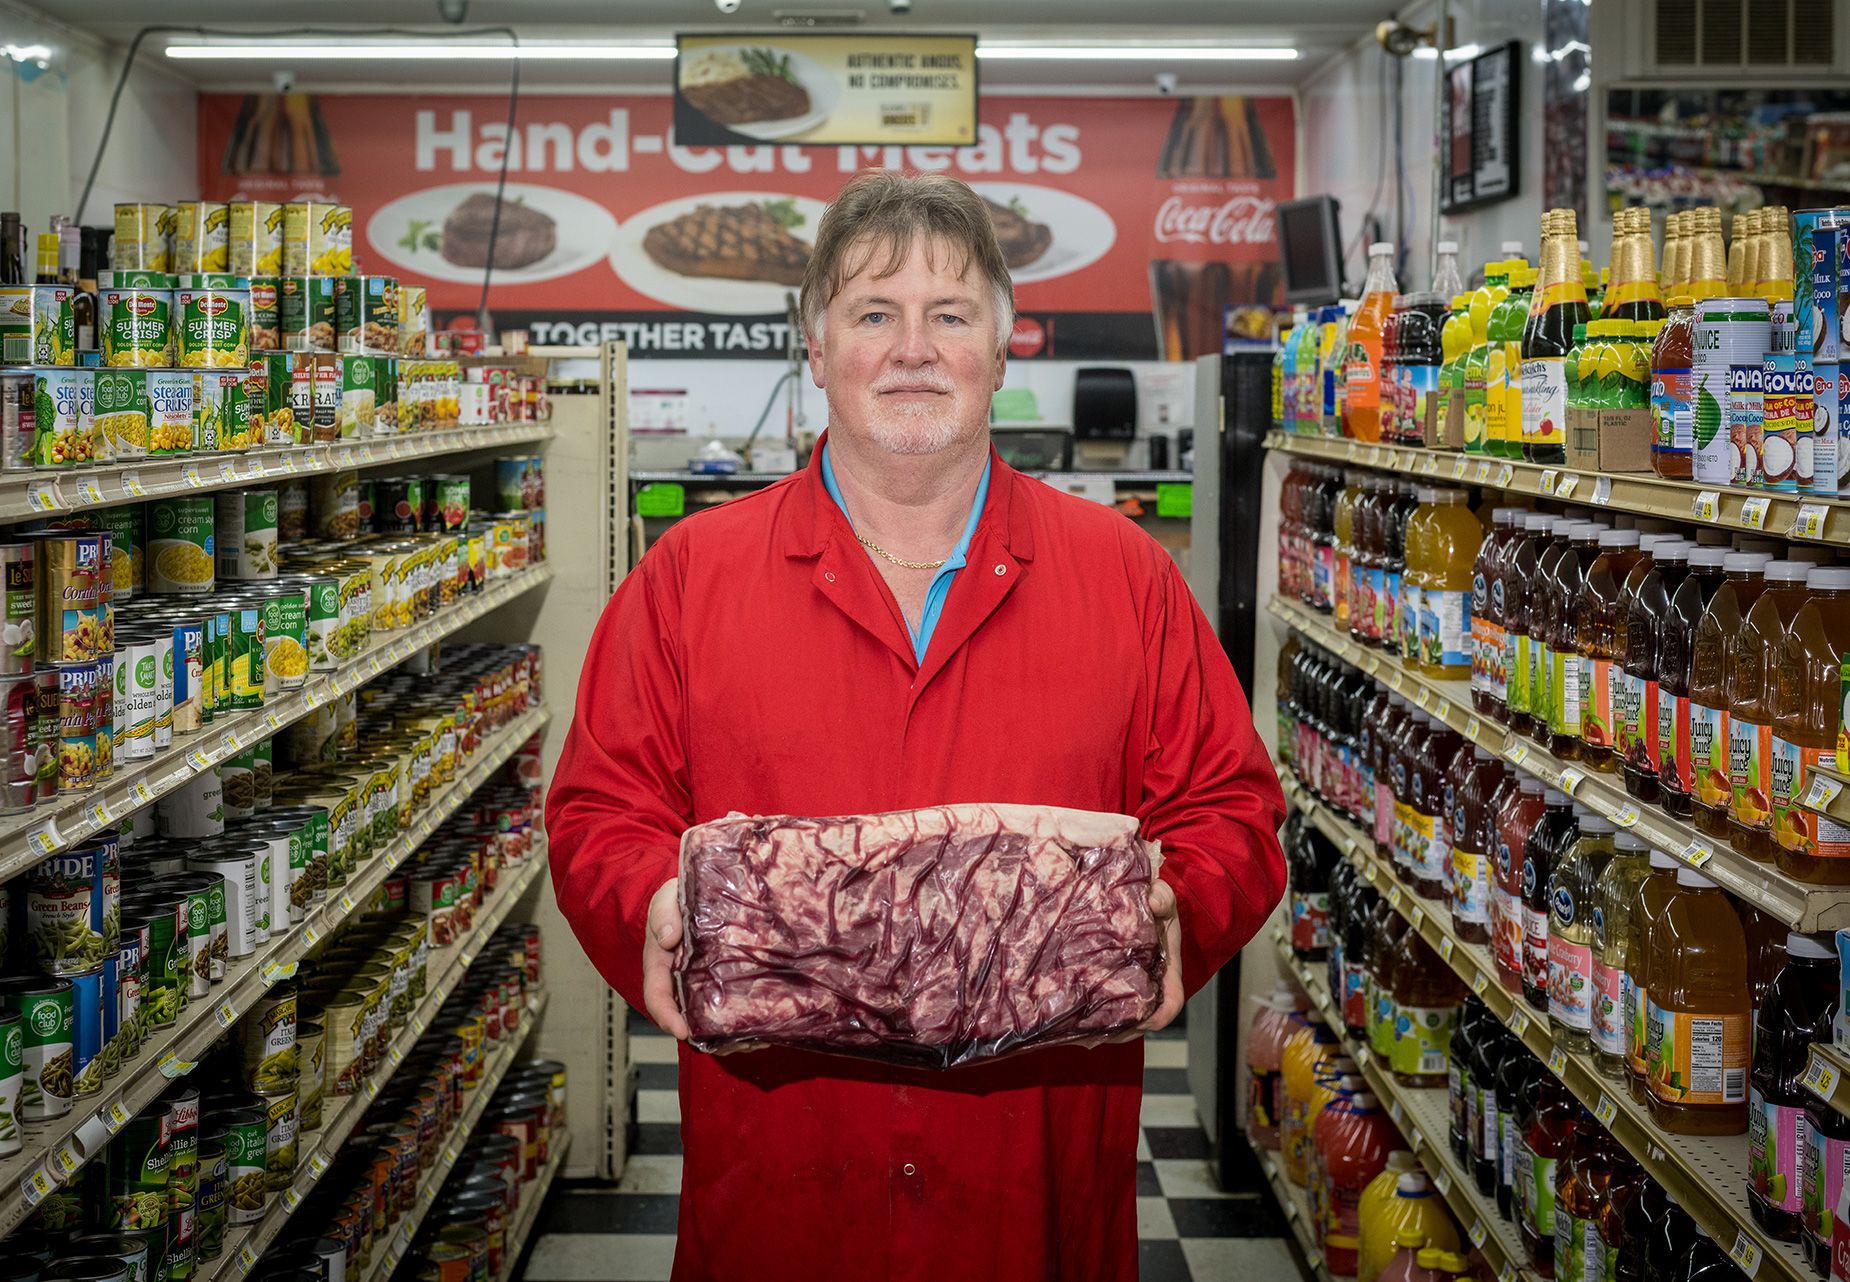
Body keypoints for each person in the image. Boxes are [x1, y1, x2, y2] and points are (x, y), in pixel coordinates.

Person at [546, 170, 1285, 1281]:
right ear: (815, 343)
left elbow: (1232, 809)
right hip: (782, 1186)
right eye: (872, 314)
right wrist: (649, 902)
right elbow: (600, 809)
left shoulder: (1123, 574)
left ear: (1000, 344)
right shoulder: (689, 577)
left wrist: (1171, 907)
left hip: (1031, 1188)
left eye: (948, 315)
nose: (912, 348)